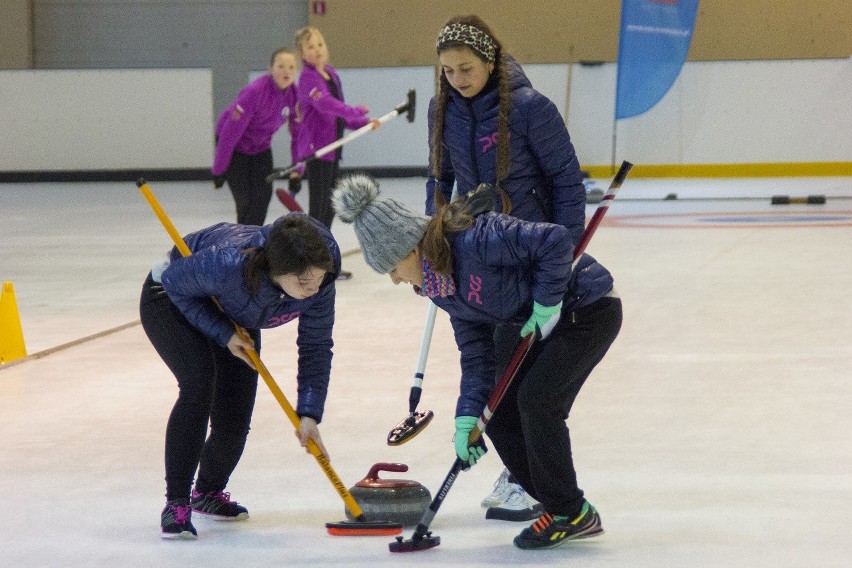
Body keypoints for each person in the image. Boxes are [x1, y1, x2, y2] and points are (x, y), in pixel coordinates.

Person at [333, 175, 622, 550]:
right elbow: (476, 355)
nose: (394, 281)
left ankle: (572, 512)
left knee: (537, 401)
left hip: (586, 308)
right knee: (496, 413)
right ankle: (558, 505)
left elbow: (554, 240)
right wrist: (467, 416)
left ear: (409, 250)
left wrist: (548, 299)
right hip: (534, 322)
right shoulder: (440, 289)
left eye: (392, 269)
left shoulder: (475, 238)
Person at [428, 14, 590, 517]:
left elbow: (567, 182)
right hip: (482, 255)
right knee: (502, 375)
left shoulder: (528, 108)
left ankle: (529, 480)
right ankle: (522, 475)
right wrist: (436, 241)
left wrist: (564, 253)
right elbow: (441, 179)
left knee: (525, 378)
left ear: (490, 58)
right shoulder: (442, 109)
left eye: (467, 67)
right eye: (449, 70)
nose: (458, 78)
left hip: (534, 252)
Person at [140, 213, 340, 539]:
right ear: (276, 271)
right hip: (172, 298)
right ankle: (176, 502)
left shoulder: (320, 282)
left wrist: (309, 413)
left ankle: (208, 492)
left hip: (235, 311)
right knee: (198, 385)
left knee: (235, 410)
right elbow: (175, 283)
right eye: (303, 283)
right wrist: (221, 332)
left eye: (319, 279)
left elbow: (316, 346)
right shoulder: (228, 263)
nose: (313, 289)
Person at [294, 26, 380, 279]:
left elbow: (339, 117)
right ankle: (309, 265)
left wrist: (363, 123)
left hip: (333, 149)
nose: (317, 50)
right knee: (318, 208)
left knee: (329, 207)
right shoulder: (308, 79)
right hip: (317, 151)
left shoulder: (330, 73)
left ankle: (323, 262)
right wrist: (354, 112)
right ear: (302, 53)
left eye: (320, 44)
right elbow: (326, 105)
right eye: (311, 47)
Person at [212, 48, 302, 226]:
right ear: (270, 69)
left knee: (262, 199)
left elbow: (298, 136)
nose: (287, 71)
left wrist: (296, 172)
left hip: (261, 147)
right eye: (281, 66)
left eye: (291, 67)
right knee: (245, 201)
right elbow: (230, 133)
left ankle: (250, 245)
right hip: (234, 145)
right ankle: (243, 243)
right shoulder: (254, 92)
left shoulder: (295, 96)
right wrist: (219, 168)